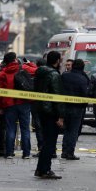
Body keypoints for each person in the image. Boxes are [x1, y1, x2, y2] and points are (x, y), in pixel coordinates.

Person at [33, 51, 65, 179]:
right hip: (51, 112)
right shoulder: (54, 75)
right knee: (50, 143)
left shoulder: (40, 72)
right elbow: (57, 97)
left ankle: (40, 169)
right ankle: (45, 169)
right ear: (57, 61)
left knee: (46, 141)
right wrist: (60, 116)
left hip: (41, 109)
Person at [0, 52, 32, 159]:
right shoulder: (23, 69)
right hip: (24, 103)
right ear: (15, 59)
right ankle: (26, 153)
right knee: (25, 129)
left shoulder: (3, 73)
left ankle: (9, 153)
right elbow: (36, 70)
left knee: (10, 128)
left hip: (9, 104)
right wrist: (29, 63)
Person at [61, 58, 90, 160]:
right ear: (82, 68)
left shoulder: (64, 76)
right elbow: (85, 94)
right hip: (77, 108)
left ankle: (64, 151)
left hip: (64, 107)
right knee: (73, 131)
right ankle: (70, 153)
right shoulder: (83, 79)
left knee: (67, 130)